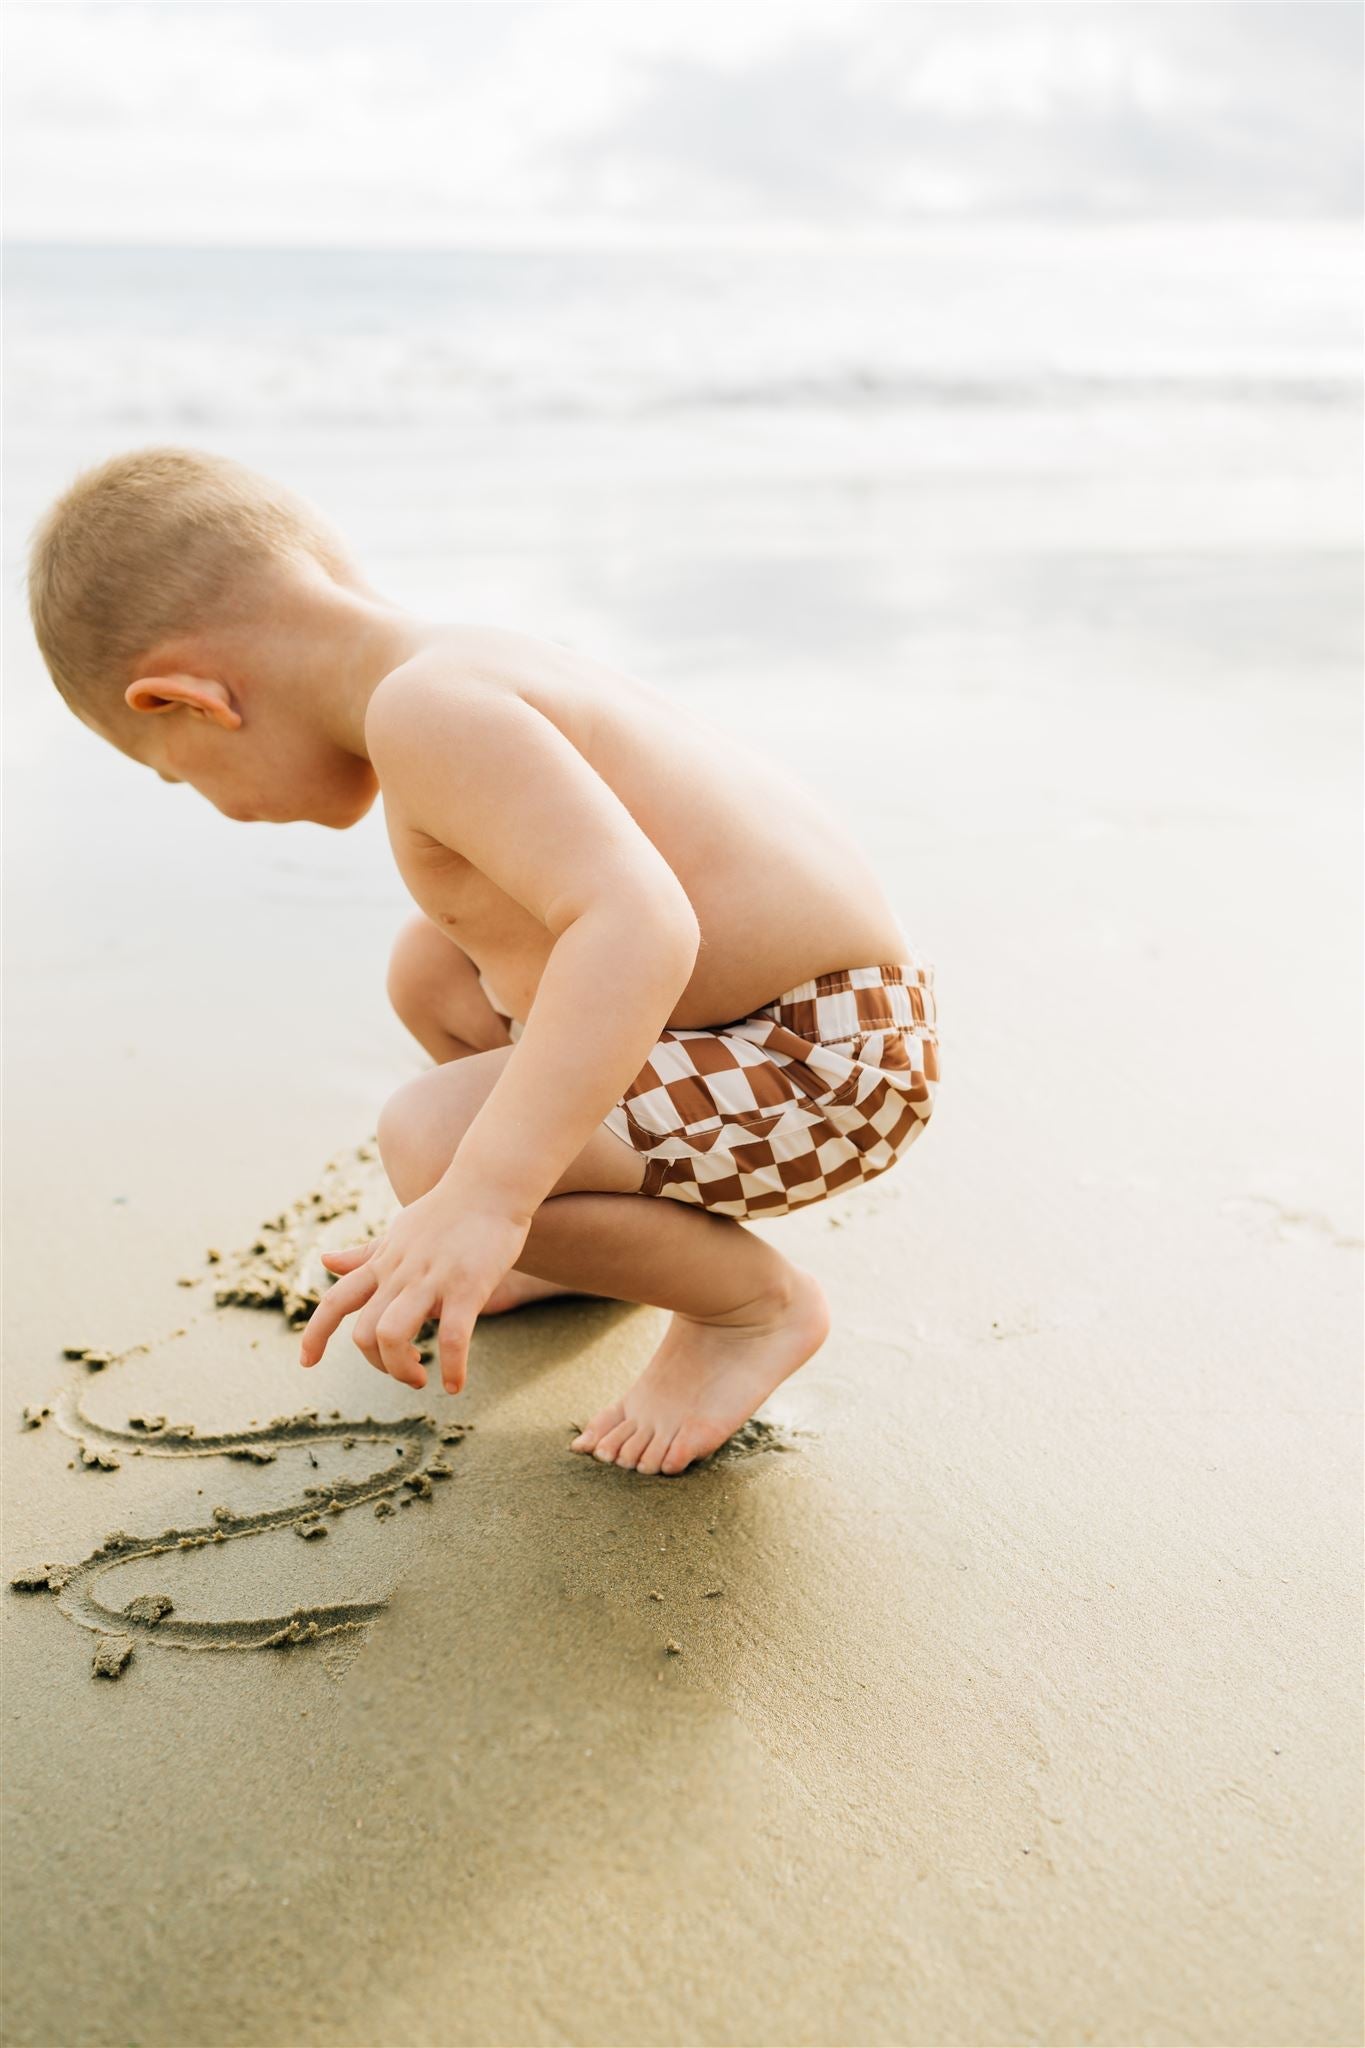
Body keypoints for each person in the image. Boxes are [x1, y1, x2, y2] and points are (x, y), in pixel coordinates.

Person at [27, 446, 941, 1475]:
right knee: (435, 967)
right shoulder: (455, 662)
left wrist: (487, 1195)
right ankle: (583, 1254)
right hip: (802, 1031)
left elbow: (641, 922)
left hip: (820, 1069)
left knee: (433, 1141)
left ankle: (749, 1308)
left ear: (186, 700)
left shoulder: (429, 711)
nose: (218, 805)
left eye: (178, 777)